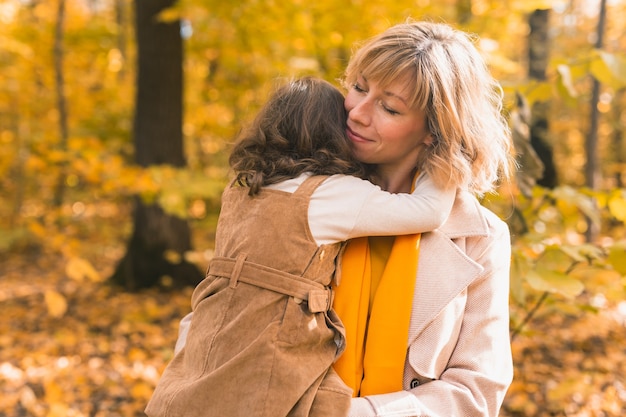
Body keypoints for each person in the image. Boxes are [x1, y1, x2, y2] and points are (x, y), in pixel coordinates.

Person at [145, 76, 456, 417]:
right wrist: (444, 158)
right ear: (333, 134)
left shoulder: (241, 187)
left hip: (210, 334)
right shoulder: (331, 193)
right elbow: (428, 211)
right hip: (274, 344)